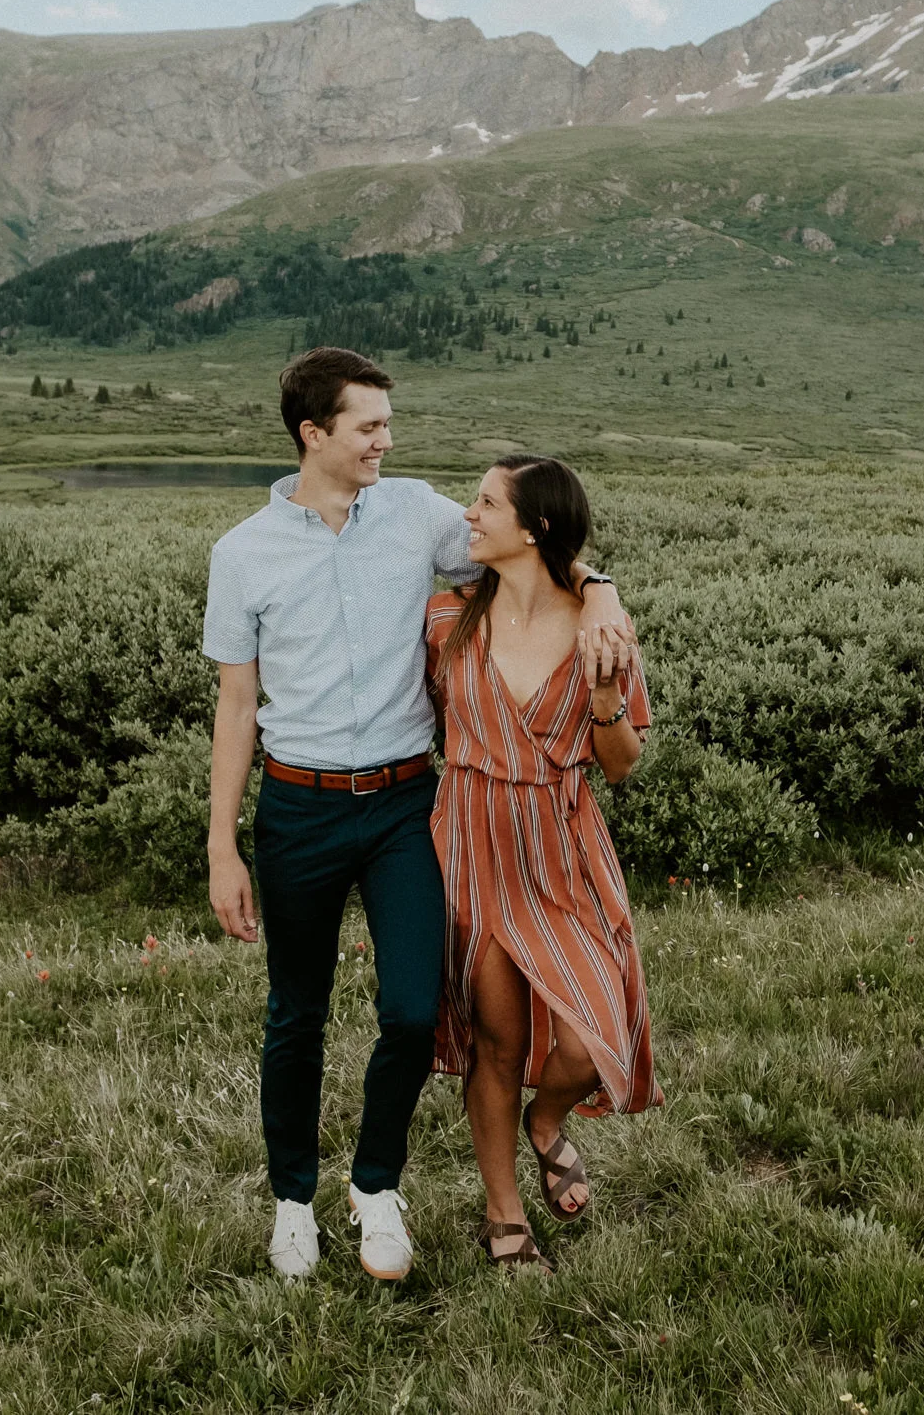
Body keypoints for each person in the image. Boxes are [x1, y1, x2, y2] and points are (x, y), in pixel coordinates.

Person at [202, 349, 630, 1282]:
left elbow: (532, 546)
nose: (386, 442)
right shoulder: (241, 555)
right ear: (314, 435)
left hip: (404, 806)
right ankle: (292, 1203)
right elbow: (237, 705)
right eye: (368, 428)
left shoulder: (414, 512)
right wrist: (221, 846)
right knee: (296, 1015)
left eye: (388, 425)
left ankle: (376, 1186)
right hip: (298, 810)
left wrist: (601, 591)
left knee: (408, 1011)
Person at [424, 455, 657, 1270]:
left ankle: (547, 1121)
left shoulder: (601, 630)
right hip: (474, 844)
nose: (468, 514)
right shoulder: (446, 618)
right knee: (496, 1041)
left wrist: (603, 700)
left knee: (594, 1042)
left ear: (534, 528)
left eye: (485, 503)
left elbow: (622, 765)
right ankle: (503, 1216)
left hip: (561, 848)